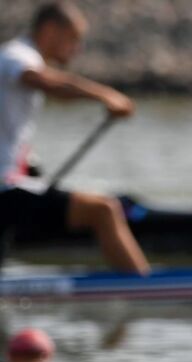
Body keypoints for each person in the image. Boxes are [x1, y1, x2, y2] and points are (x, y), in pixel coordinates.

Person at [0, 2, 148, 274]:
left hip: (11, 187)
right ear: (49, 30)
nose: (76, 49)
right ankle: (146, 288)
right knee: (104, 210)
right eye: (73, 39)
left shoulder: (20, 57)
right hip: (6, 192)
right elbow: (48, 83)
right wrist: (106, 96)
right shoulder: (16, 56)